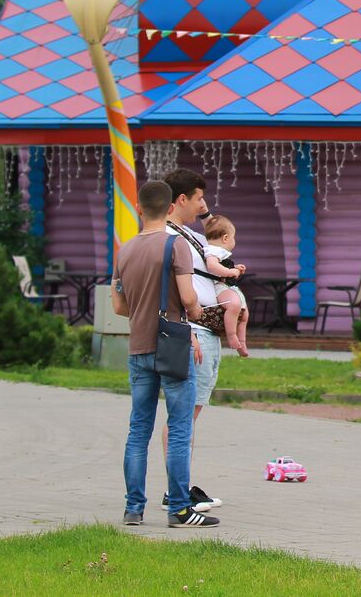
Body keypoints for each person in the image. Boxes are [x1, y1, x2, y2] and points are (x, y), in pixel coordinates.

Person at [110, 180, 220, 528]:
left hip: (138, 347)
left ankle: (133, 508)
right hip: (172, 345)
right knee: (179, 427)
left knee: (138, 430)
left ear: (140, 209)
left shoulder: (124, 250)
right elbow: (189, 299)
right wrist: (200, 316)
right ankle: (179, 509)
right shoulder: (176, 246)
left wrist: (143, 312)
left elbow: (117, 305)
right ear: (170, 207)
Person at [161, 168, 224, 514]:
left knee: (190, 414)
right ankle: (177, 491)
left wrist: (205, 214)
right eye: (198, 198)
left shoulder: (185, 233)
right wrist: (185, 329)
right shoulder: (173, 238)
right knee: (183, 417)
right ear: (181, 200)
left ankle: (180, 485)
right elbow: (174, 289)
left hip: (204, 331)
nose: (204, 204)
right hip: (193, 332)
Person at [202, 214, 250, 358]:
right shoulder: (212, 250)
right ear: (225, 238)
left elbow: (221, 265)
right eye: (233, 237)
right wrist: (230, 272)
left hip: (228, 286)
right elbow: (212, 266)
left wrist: (235, 268)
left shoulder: (219, 252)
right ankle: (231, 335)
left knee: (245, 313)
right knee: (234, 305)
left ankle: (242, 341)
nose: (234, 241)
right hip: (220, 286)